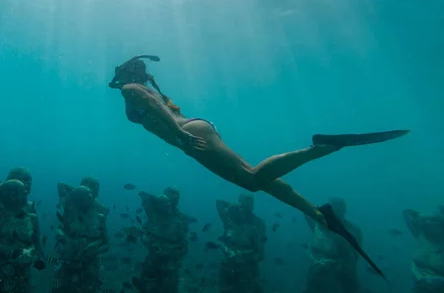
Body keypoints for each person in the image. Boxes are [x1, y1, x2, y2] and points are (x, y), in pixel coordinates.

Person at [109, 54, 408, 275]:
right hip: (197, 129)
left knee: (251, 180)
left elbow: (156, 108)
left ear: (126, 72)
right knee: (261, 179)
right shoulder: (147, 87)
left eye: (118, 70)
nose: (115, 75)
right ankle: (317, 214)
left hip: (190, 136)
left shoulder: (130, 89)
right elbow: (162, 105)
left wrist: (180, 137)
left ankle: (321, 148)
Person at [41, 177, 109, 293]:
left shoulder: (99, 216)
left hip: (89, 269)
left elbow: (106, 244)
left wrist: (95, 249)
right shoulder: (70, 210)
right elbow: (60, 229)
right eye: (89, 189)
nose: (92, 192)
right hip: (66, 265)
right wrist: (64, 238)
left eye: (94, 189)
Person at [304, 198, 373, 293]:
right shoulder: (316, 223)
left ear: (345, 210)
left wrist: (341, 265)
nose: (337, 210)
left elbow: (355, 256)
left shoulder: (353, 229)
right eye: (333, 207)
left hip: (342, 273)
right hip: (316, 273)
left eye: (340, 207)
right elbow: (305, 209)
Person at [130, 187, 190, 293]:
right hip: (151, 269)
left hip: (169, 271)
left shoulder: (180, 220)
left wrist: (167, 252)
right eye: (170, 198)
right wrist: (149, 242)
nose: (173, 201)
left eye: (175, 198)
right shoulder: (153, 217)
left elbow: (183, 248)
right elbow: (144, 235)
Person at [216, 194, 268, 293]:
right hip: (228, 275)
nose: (247, 204)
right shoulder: (229, 223)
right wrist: (233, 206)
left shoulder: (256, 225)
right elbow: (219, 203)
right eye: (244, 201)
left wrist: (242, 258)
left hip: (248, 275)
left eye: (250, 201)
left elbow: (260, 253)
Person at [403, 205, 444, 293]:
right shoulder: (421, 233)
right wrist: (424, 214)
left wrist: (439, 281)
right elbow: (406, 212)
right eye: (427, 220)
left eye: (434, 221)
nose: (429, 223)